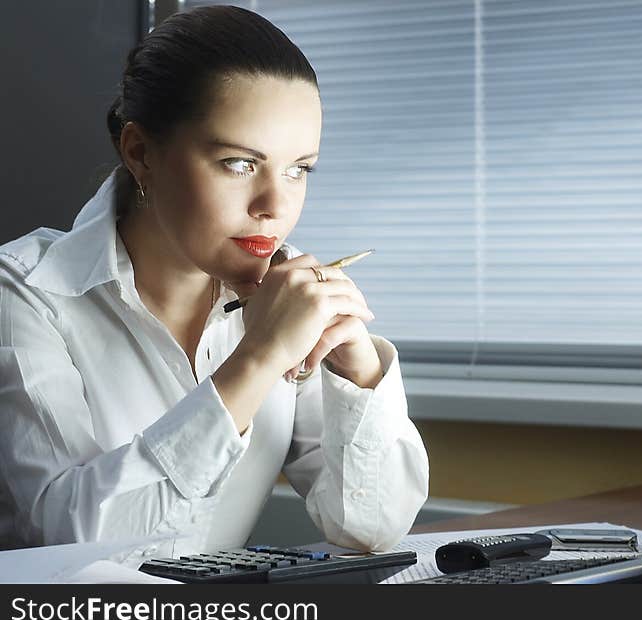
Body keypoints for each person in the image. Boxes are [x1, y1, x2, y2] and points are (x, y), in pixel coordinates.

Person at [0, 6, 429, 564]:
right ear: (141, 154)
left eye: (299, 169)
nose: (275, 207)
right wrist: (257, 358)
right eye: (238, 164)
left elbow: (372, 530)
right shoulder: (25, 292)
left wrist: (360, 374)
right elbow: (73, 547)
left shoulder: (287, 294)